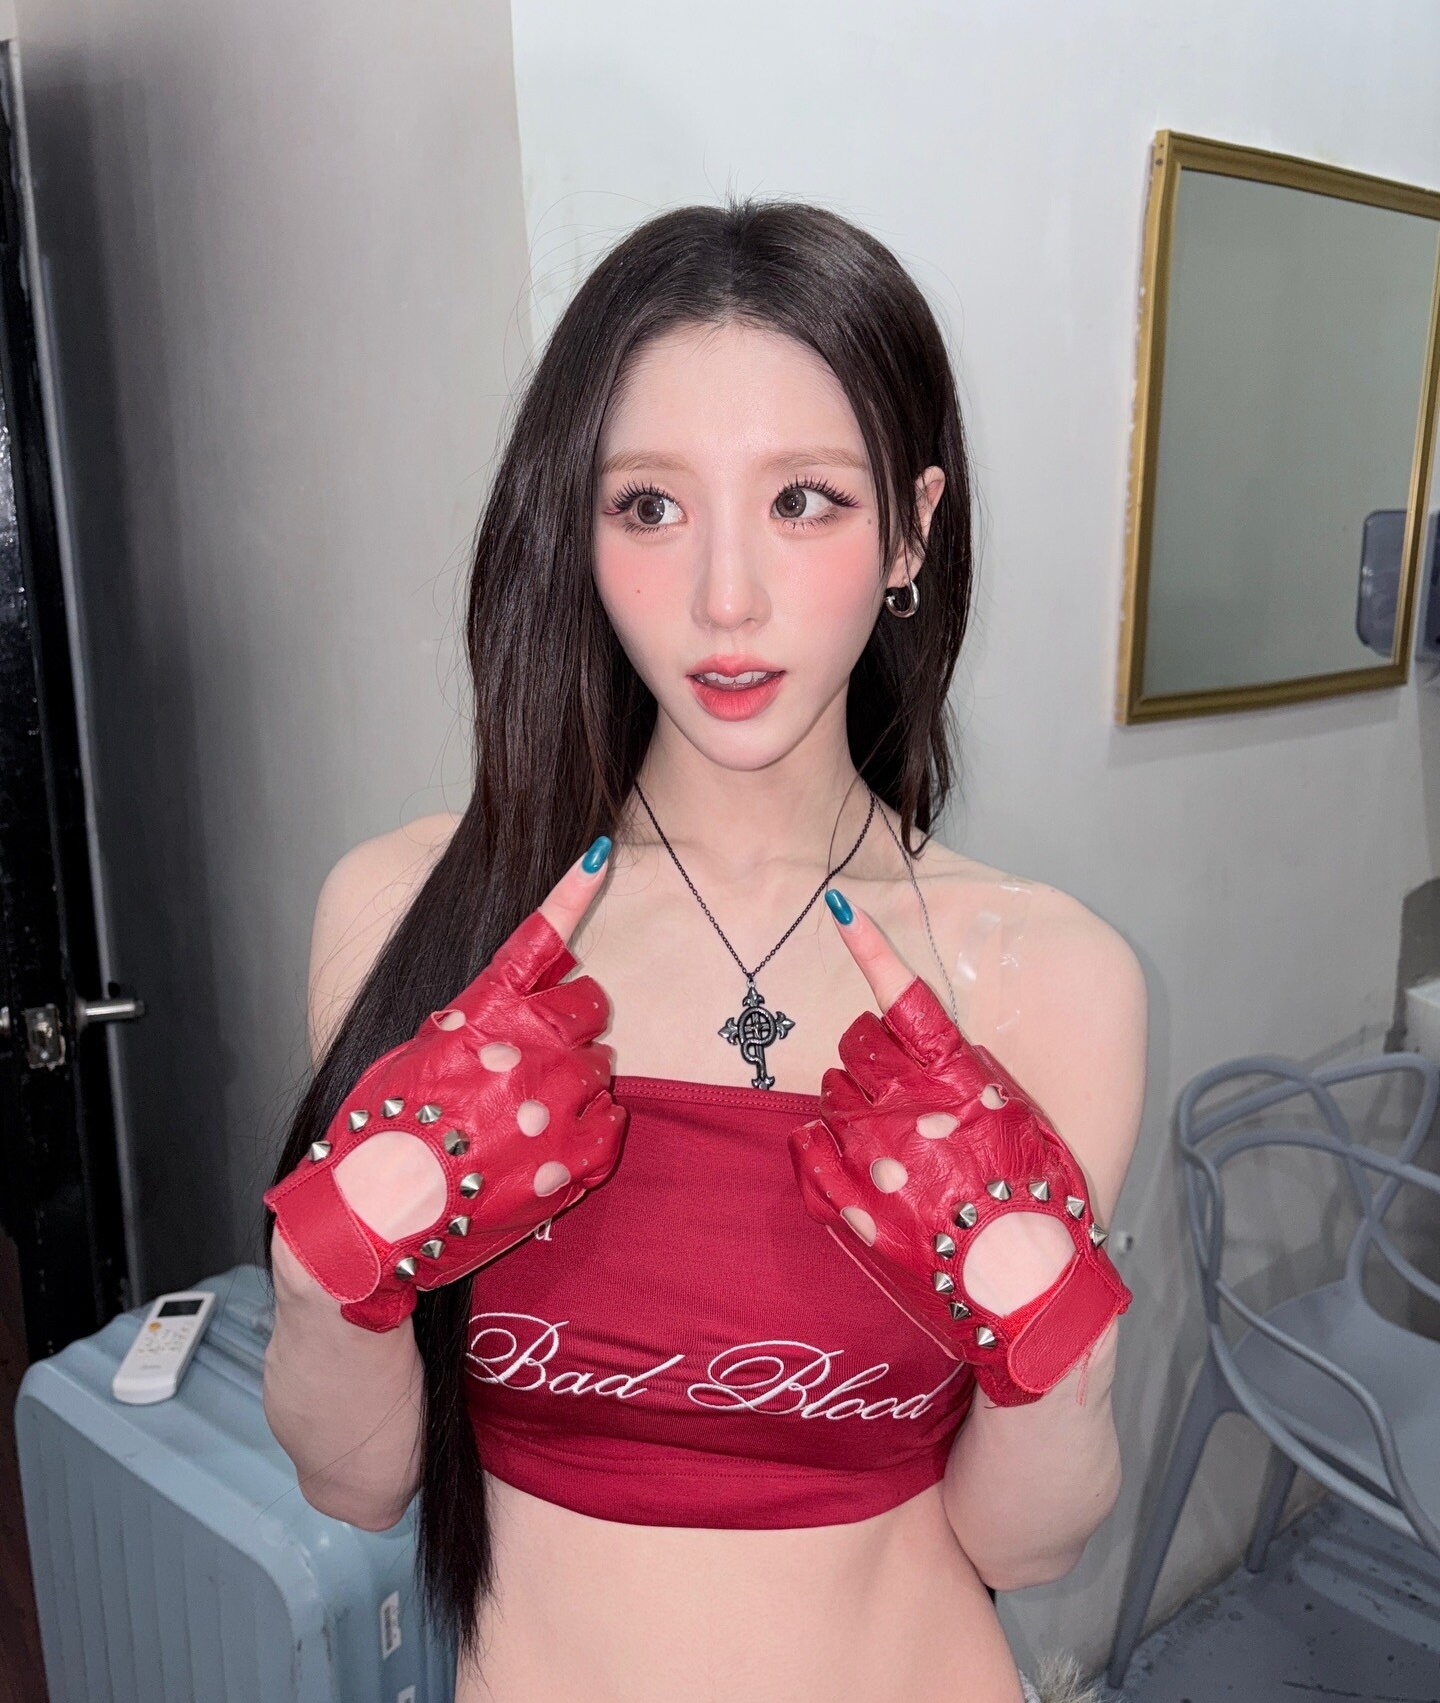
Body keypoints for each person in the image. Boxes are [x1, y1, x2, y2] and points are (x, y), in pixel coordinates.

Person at [260, 199, 1147, 1703]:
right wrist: (327, 1260)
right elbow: (358, 1485)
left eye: (804, 499)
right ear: (578, 530)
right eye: (649, 507)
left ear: (912, 527)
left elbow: (1026, 1544)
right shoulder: (412, 919)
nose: (725, 597)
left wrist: (1056, 1325)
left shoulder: (1051, 978)